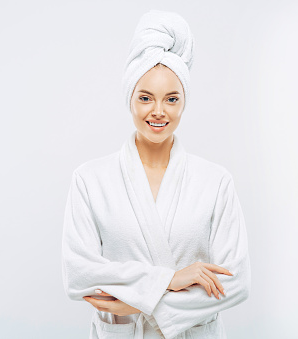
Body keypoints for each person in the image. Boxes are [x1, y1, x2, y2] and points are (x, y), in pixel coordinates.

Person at [61, 9, 251, 339]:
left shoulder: (215, 182)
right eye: (146, 98)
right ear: (130, 98)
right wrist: (171, 280)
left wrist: (137, 302)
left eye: (172, 99)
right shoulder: (90, 180)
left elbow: (236, 282)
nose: (159, 111)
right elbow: (78, 274)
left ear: (184, 102)